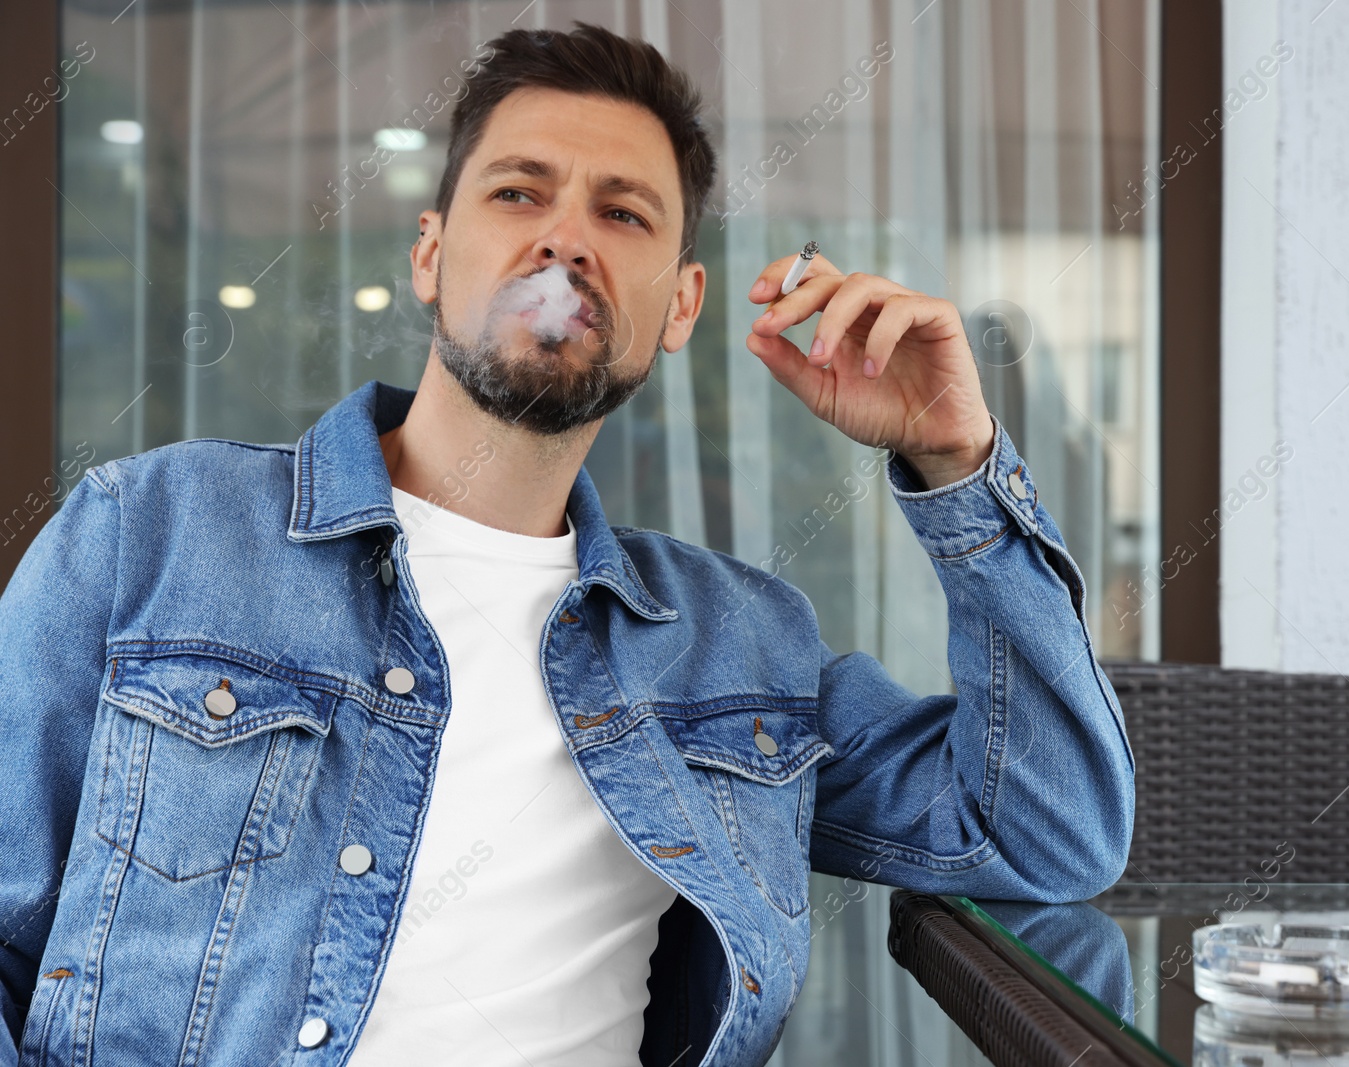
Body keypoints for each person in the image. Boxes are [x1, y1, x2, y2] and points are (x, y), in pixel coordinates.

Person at [0, 22, 1134, 1067]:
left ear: (681, 305)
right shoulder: (149, 531)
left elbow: (1043, 835)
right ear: (431, 255)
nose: (564, 240)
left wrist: (957, 462)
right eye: (518, 190)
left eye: (623, 213)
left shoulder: (738, 647)